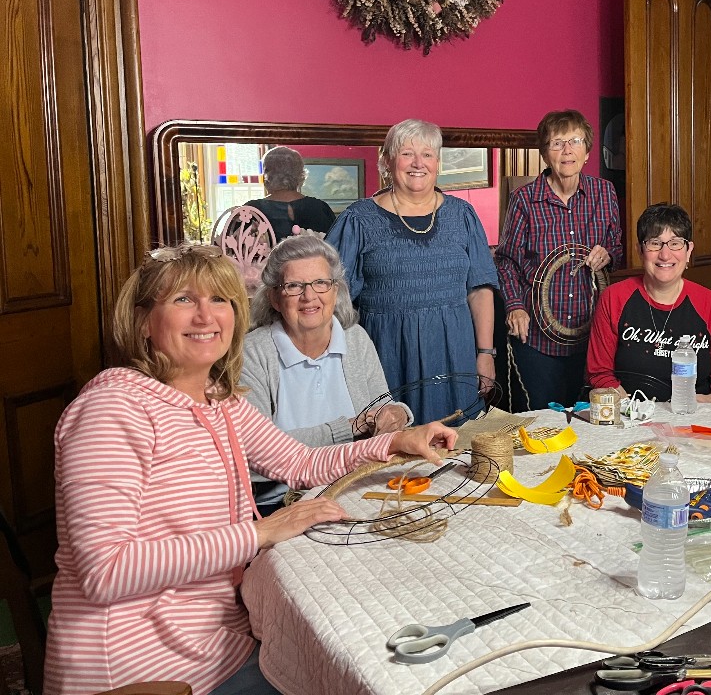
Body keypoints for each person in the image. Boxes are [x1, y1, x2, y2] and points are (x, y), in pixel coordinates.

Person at [44, 243, 456, 695]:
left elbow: (300, 462)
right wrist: (261, 533)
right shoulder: (113, 408)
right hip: (140, 669)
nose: (206, 317)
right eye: (184, 300)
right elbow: (106, 571)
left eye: (219, 299)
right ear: (143, 321)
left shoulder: (218, 400)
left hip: (215, 640)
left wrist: (395, 441)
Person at [326, 119, 499, 424]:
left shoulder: (463, 215)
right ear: (387, 162)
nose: (418, 163)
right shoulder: (358, 220)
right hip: (386, 355)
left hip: (453, 351)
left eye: (428, 154)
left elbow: (480, 289)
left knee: (458, 448)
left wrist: (485, 353)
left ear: (438, 163)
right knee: (392, 453)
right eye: (407, 153)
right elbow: (333, 301)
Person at [241, 233, 413, 514]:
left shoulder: (356, 339)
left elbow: (381, 409)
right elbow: (251, 459)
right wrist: (349, 428)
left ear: (336, 290)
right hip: (283, 503)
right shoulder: (253, 353)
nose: (309, 297)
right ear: (274, 297)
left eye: (321, 283)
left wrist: (398, 414)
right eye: (294, 286)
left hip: (357, 489)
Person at [495, 109, 623, 411]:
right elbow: (505, 261)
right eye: (557, 143)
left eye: (575, 141)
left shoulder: (604, 193)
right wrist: (514, 306)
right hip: (538, 341)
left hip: (592, 336)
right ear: (544, 153)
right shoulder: (525, 199)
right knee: (543, 424)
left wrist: (607, 253)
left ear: (588, 151)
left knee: (590, 422)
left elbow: (616, 248)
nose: (567, 151)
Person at [587, 203, 711, 404]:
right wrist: (632, 410)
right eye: (654, 243)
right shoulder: (613, 298)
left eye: (676, 243)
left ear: (689, 251)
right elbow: (599, 373)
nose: (665, 255)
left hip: (696, 418)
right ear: (640, 251)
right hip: (630, 419)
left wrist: (709, 402)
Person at [244, 146, 337, 242]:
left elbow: (230, 252)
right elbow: (338, 249)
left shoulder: (250, 210)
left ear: (267, 175)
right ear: (300, 175)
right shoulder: (321, 208)